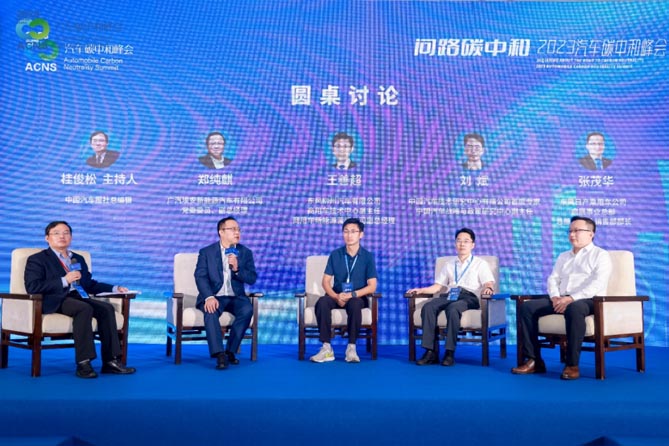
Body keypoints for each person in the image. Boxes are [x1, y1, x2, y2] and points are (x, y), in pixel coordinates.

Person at [23, 221, 136, 378]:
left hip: (78, 296)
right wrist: (64, 280)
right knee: (83, 308)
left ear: (71, 237)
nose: (62, 236)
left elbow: (89, 284)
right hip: (54, 299)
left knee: (106, 309)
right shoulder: (37, 259)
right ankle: (84, 363)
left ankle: (111, 361)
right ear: (47, 238)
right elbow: (33, 286)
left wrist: (114, 288)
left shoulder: (77, 258)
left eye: (66, 233)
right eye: (56, 233)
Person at [512, 216, 612, 380]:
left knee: (574, 308)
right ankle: (534, 360)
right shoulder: (563, 256)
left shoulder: (601, 255)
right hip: (560, 298)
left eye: (577, 231)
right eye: (570, 231)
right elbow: (553, 279)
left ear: (591, 233)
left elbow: (597, 283)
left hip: (590, 300)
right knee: (527, 307)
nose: (572, 234)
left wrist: (571, 298)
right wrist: (555, 297)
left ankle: (572, 365)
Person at [407, 228, 495, 366]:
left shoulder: (480, 264)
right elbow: (438, 286)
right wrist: (420, 290)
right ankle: (430, 352)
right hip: (450, 295)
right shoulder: (449, 264)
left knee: (453, 309)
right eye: (459, 241)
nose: (462, 244)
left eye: (466, 241)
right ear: (455, 244)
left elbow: (488, 282)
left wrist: (488, 288)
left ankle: (449, 352)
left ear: (473, 245)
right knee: (428, 306)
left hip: (469, 297)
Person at [310, 218, 377, 363]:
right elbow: (325, 281)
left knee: (355, 304)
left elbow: (372, 286)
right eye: (346, 231)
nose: (349, 235)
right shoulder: (335, 255)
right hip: (337, 294)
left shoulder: (367, 257)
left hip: (357, 296)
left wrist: (352, 294)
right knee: (322, 302)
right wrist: (336, 296)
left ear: (361, 234)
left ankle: (351, 348)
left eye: (353, 231)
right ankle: (326, 348)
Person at [194, 216, 256, 369]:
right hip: (215, 296)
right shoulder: (207, 252)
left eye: (238, 229)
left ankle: (230, 351)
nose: (237, 232)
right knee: (210, 310)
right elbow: (200, 276)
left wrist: (237, 269)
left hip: (236, 297)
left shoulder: (245, 252)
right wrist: (209, 297)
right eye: (233, 229)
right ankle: (219, 354)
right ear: (221, 232)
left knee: (247, 309)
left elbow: (252, 278)